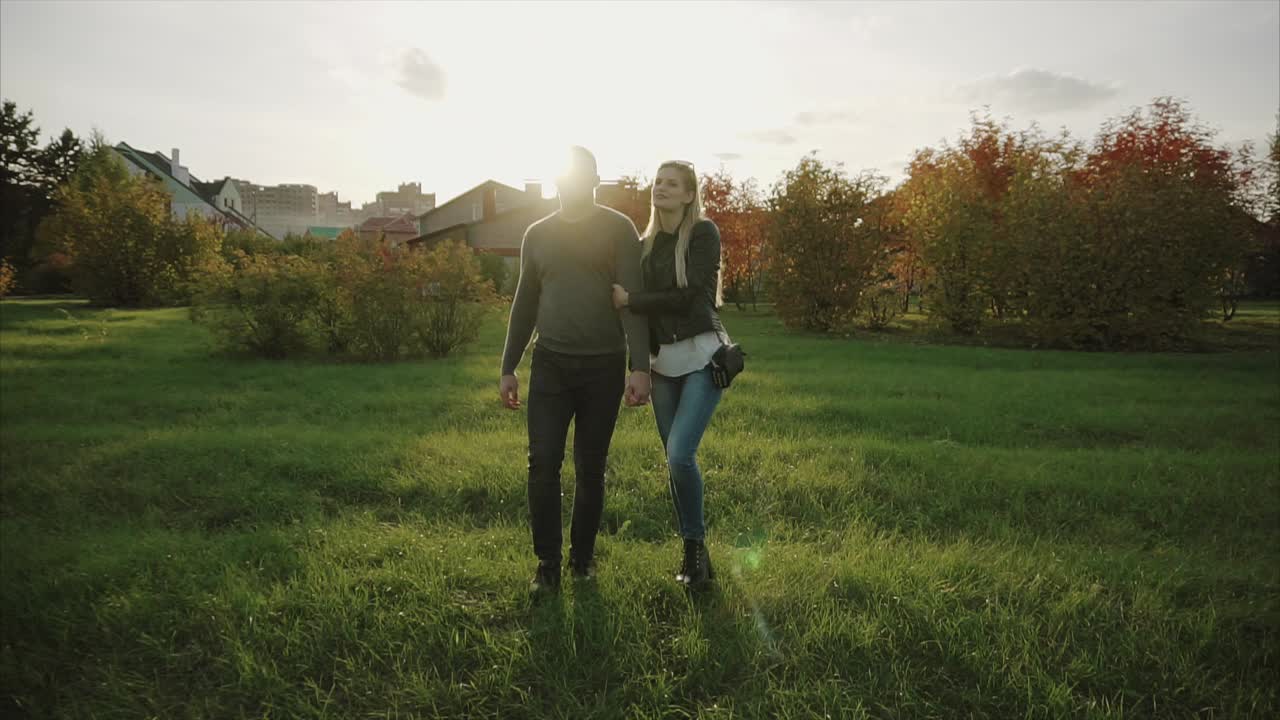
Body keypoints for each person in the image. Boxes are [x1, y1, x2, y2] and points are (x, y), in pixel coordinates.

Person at [499, 146, 652, 594]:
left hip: (603, 368)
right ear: (555, 183)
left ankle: (582, 560)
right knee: (542, 463)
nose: (570, 184)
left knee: (591, 467)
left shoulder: (618, 229)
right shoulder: (537, 234)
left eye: (579, 177)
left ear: (594, 180)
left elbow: (630, 300)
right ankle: (547, 564)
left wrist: (639, 367)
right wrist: (509, 365)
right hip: (550, 366)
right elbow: (524, 302)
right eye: (563, 177)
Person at [611, 160, 727, 589]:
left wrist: (633, 299)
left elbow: (691, 296)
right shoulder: (644, 244)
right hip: (662, 368)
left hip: (702, 359)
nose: (660, 188)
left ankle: (694, 550)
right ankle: (695, 555)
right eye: (657, 181)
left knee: (681, 454)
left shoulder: (702, 234)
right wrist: (636, 366)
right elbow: (632, 316)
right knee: (674, 465)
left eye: (672, 183)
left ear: (689, 195)